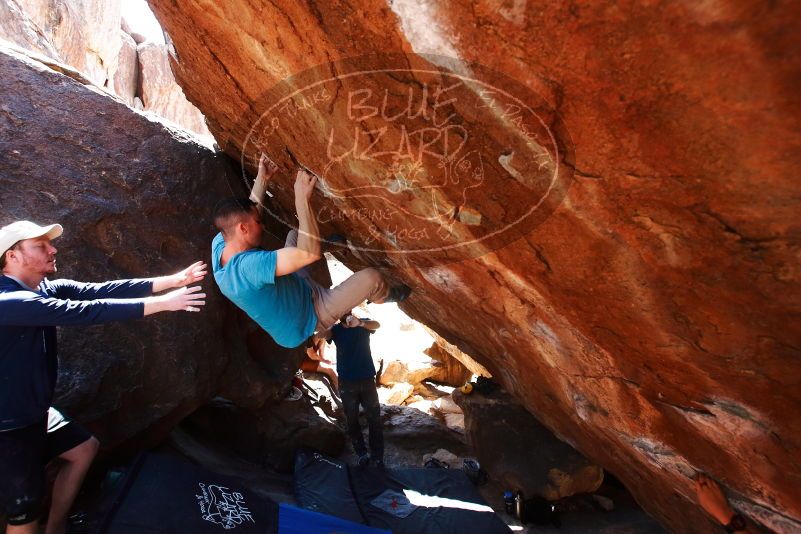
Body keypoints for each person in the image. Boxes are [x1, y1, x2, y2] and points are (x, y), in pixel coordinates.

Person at [0, 220, 207, 534]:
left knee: (83, 449)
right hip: (10, 426)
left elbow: (99, 291)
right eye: (40, 246)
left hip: (34, 411)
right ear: (12, 257)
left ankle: (55, 528)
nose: (53, 249)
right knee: (23, 515)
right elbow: (85, 311)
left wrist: (174, 280)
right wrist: (164, 304)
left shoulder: (39, 288)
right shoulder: (10, 302)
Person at [211, 153, 410, 352]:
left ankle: (324, 245)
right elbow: (308, 254)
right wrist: (302, 199)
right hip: (311, 314)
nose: (262, 225)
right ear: (243, 230)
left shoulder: (222, 242)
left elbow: (248, 215)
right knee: (371, 278)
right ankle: (383, 296)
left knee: (295, 235)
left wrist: (263, 179)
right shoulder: (248, 268)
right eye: (258, 223)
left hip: (297, 286)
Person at [322, 312, 383, 468]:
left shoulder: (363, 323)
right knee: (352, 419)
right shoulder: (335, 330)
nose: (346, 313)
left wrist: (360, 324)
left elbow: (377, 324)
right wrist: (326, 323)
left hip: (367, 379)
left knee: (374, 418)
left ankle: (377, 456)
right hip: (347, 382)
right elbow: (323, 334)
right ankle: (362, 454)